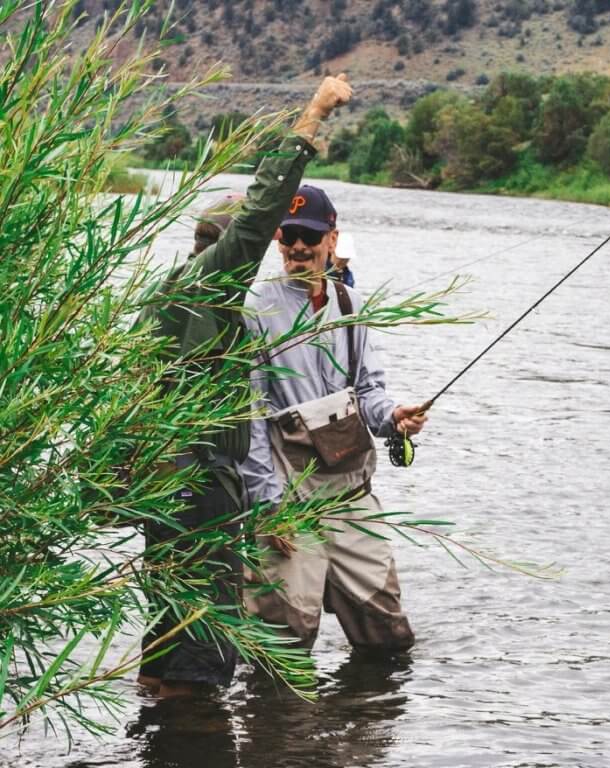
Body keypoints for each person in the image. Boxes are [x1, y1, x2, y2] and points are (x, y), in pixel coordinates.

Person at [136, 75, 353, 697]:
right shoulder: (218, 279)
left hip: (161, 479)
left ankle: (157, 719)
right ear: (232, 246)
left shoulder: (166, 292)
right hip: (197, 480)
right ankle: (192, 729)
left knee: (170, 608)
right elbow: (263, 206)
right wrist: (312, 116)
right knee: (209, 633)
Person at [239, 184, 427, 655]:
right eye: (290, 235)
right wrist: (268, 507)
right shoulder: (255, 309)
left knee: (388, 634)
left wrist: (393, 418)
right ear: (278, 239)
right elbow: (252, 416)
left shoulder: (351, 306)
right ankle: (277, 727)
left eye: (310, 235)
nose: (298, 246)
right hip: (286, 499)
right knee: (285, 640)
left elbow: (368, 392)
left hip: (349, 495)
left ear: (331, 238)